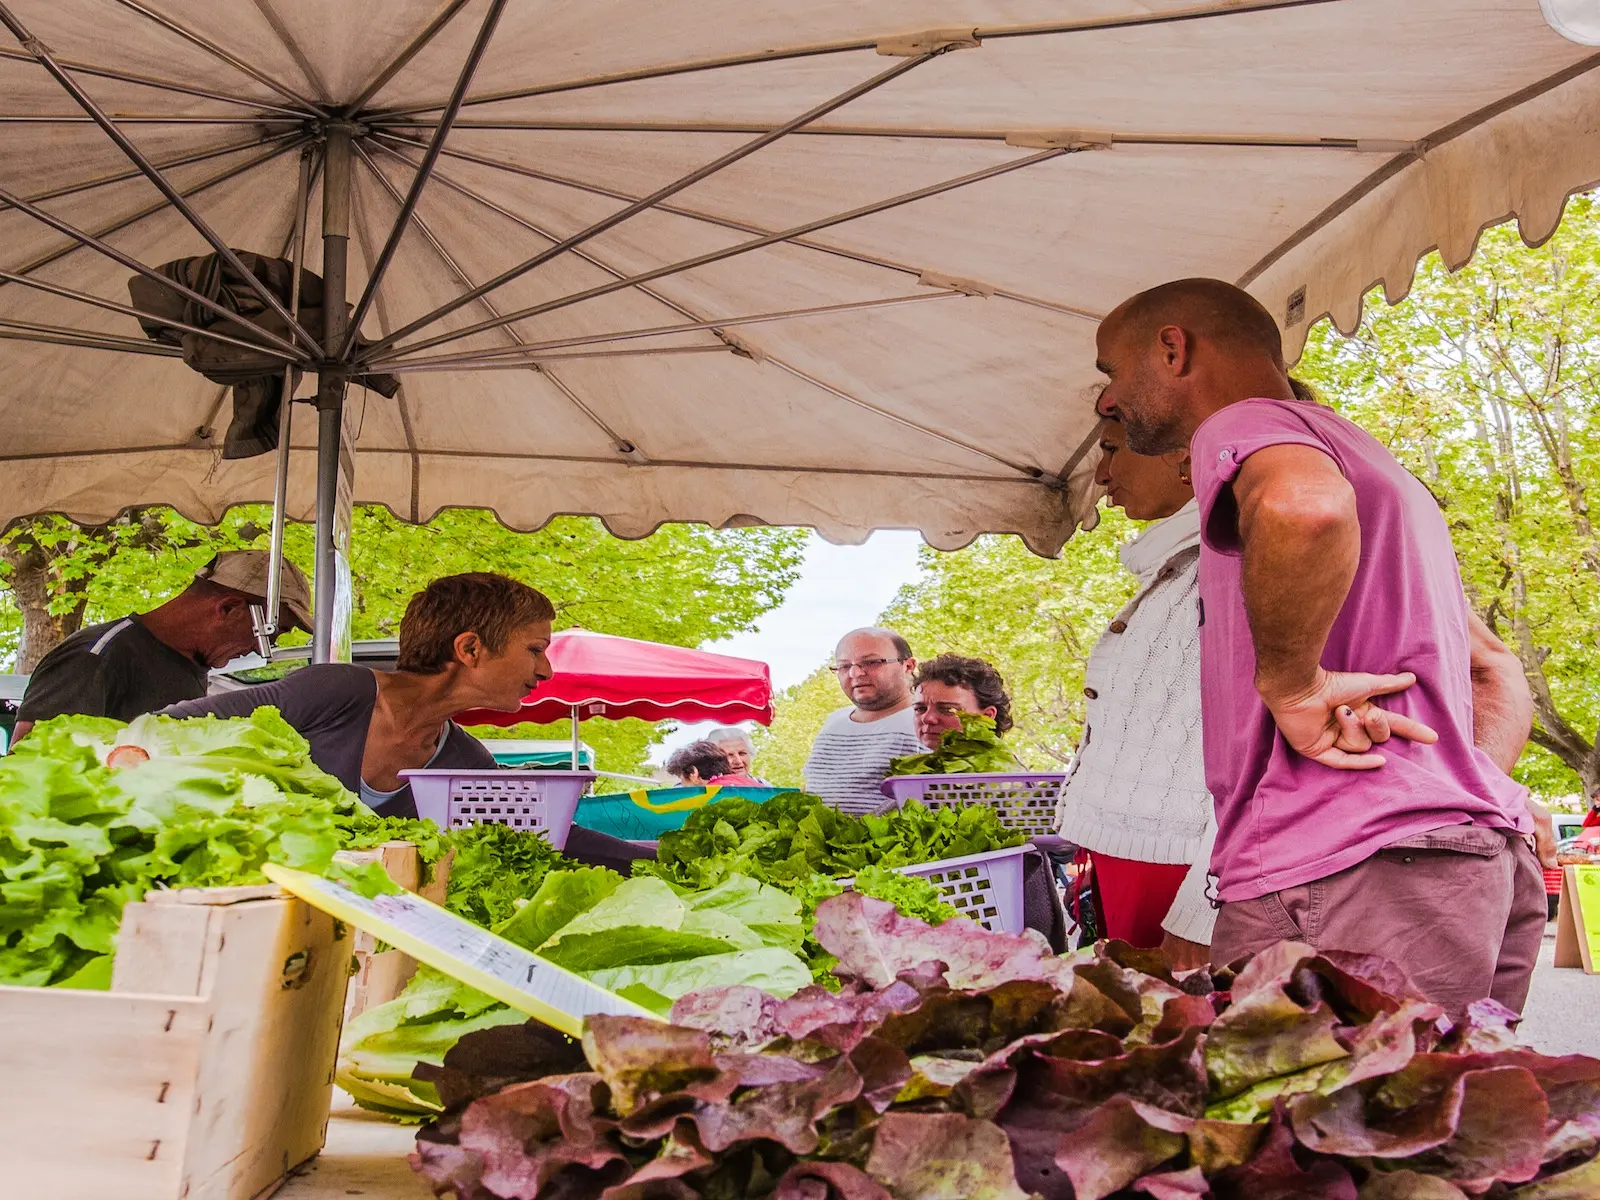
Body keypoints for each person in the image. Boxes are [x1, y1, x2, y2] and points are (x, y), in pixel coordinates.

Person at [1093, 276, 1544, 1015]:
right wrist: (1443, 791)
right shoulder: (1372, 463)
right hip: (1450, 871)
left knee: (1305, 1125)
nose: (1108, 401)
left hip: (1337, 875)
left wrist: (1292, 685)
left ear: (1173, 349)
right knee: (1424, 1120)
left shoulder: (1243, 424)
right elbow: (1495, 669)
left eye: (1110, 371)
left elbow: (1303, 509)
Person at [161, 572, 551, 818]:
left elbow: (550, 841)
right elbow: (168, 728)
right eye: (535, 649)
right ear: (470, 649)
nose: (546, 671)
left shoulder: (466, 762)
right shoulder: (338, 692)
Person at [1052, 419, 1216, 960]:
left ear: (1185, 460)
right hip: (1131, 868)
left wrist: (1203, 906)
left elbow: (1269, 755)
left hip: (1183, 878)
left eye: (1113, 450)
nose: (1100, 475)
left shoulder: (1232, 563)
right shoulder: (1179, 565)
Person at [12, 550, 312, 744]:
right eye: (268, 633)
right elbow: (26, 765)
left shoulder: (192, 665)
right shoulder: (96, 656)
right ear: (229, 609)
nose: (262, 650)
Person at [803, 627, 922, 814]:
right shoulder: (832, 722)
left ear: (908, 666)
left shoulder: (927, 722)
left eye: (871, 662)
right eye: (844, 666)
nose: (855, 673)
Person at [910, 654, 1017, 754]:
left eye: (948, 709)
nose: (927, 718)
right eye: (920, 709)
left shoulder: (1005, 772)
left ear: (987, 717)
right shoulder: (908, 770)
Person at [665, 740, 731, 786]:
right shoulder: (738, 785)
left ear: (693, 773)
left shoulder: (703, 801)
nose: (682, 784)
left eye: (681, 778)